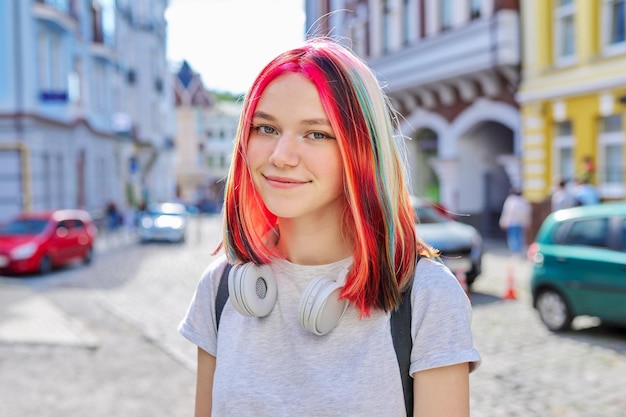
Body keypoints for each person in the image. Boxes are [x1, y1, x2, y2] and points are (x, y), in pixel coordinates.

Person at [179, 37, 480, 417]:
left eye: (316, 133)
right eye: (266, 128)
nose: (281, 156)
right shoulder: (221, 287)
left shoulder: (427, 297)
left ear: (362, 150)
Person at [499, 187, 532, 257]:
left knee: (513, 238)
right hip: (521, 223)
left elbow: (507, 212)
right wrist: (527, 222)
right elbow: (527, 213)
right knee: (520, 237)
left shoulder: (510, 201)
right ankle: (519, 251)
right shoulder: (524, 201)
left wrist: (503, 221)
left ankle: (515, 252)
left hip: (512, 222)